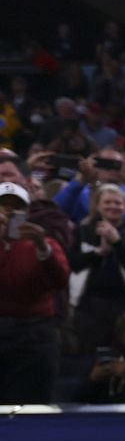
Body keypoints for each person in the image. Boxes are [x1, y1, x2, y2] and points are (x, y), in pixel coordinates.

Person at [0, 172, 71, 403]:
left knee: (33, 405)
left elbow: (59, 280)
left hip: (35, 336)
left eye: (16, 207)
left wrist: (41, 246)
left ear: (27, 212)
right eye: (3, 206)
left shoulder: (44, 242)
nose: (9, 212)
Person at [70, 183, 125, 355]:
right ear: (98, 206)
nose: (113, 206)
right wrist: (99, 253)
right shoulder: (83, 231)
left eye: (117, 203)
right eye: (107, 202)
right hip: (89, 303)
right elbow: (73, 263)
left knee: (123, 352)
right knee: (90, 354)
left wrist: (117, 242)